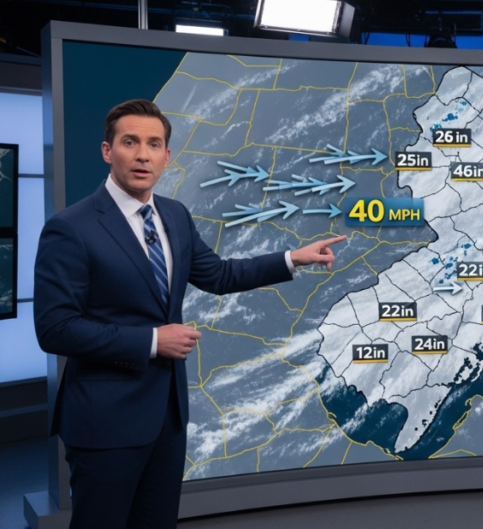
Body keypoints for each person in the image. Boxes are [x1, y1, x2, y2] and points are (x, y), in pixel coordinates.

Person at [33, 99, 345, 529]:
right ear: (108, 151)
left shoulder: (174, 216)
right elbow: (56, 328)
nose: (143, 154)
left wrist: (292, 258)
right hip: (105, 421)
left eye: (154, 144)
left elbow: (217, 274)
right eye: (130, 142)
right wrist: (152, 341)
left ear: (167, 156)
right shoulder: (72, 227)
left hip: (167, 417)